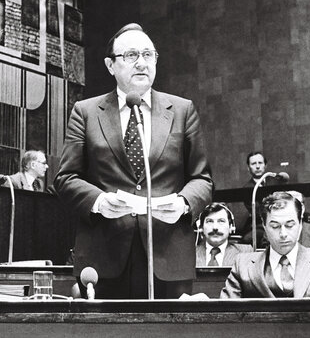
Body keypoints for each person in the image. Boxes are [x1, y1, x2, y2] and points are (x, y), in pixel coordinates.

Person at [54, 23, 213, 299]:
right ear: (110, 65)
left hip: (168, 257)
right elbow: (66, 179)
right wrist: (100, 202)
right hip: (104, 258)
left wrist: (183, 204)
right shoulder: (87, 112)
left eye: (148, 55)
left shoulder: (182, 110)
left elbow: (202, 179)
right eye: (130, 55)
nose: (141, 63)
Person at [221, 191, 310, 298]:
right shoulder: (242, 264)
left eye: (289, 225)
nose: (283, 234)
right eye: (275, 226)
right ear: (265, 226)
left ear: (300, 225)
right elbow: (225, 314)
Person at [195, 203, 251, 267]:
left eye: (221, 221)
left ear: (231, 227)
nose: (215, 227)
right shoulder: (189, 254)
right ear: (201, 228)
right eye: (210, 221)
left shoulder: (245, 252)